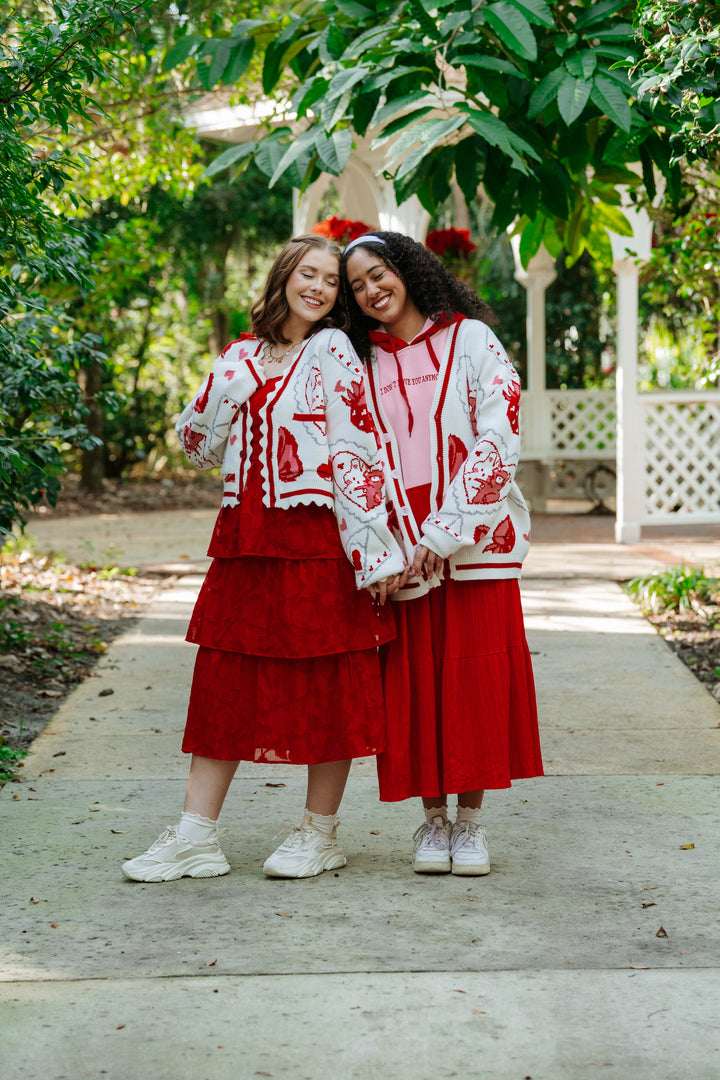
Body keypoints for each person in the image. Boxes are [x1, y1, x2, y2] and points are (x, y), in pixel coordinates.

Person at [122, 234, 407, 883]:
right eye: (308, 273)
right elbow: (196, 447)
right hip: (245, 547)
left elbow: (356, 453)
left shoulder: (333, 351)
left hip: (318, 548)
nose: (318, 287)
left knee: (328, 688)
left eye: (330, 281)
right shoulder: (241, 355)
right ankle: (196, 836)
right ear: (282, 276)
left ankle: (319, 833)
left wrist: (376, 556)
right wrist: (232, 384)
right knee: (224, 685)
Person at [341, 230, 543, 877]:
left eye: (379, 274)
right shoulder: (357, 361)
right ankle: (432, 824)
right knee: (417, 682)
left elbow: (498, 439)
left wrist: (441, 535)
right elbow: (350, 460)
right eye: (357, 286)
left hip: (472, 536)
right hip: (397, 543)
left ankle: (472, 827)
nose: (372, 291)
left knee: (473, 679)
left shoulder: (472, 341)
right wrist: (383, 550)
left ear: (407, 269)